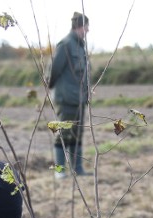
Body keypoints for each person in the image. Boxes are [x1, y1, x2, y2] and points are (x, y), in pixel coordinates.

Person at [49, 11, 90, 179]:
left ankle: (77, 169)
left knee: (77, 135)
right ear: (79, 26)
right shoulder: (65, 45)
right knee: (63, 135)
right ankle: (60, 172)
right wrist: (53, 90)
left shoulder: (80, 46)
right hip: (66, 99)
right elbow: (53, 71)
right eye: (87, 27)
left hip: (79, 100)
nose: (88, 30)